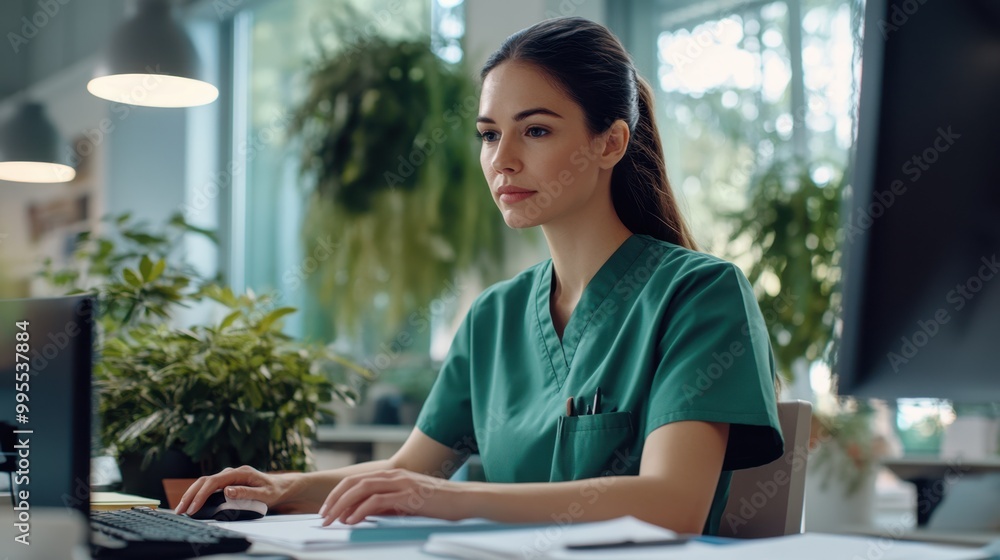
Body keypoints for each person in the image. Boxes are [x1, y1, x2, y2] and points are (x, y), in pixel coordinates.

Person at [178, 16, 782, 535]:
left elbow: (672, 505)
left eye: (536, 130)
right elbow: (415, 469)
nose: (502, 159)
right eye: (490, 135)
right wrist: (280, 487)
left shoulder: (700, 294)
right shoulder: (494, 316)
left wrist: (452, 501)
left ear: (610, 143)